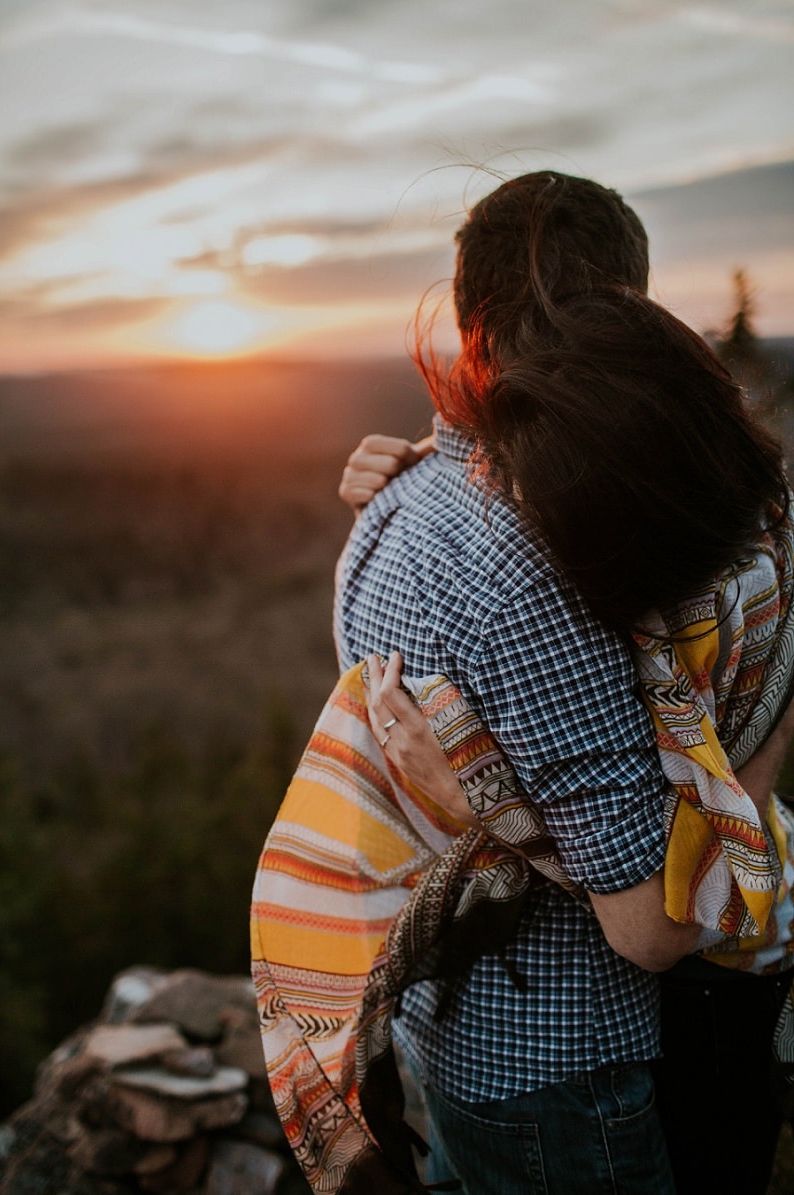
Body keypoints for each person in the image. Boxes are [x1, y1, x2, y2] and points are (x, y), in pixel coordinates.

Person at [267, 171, 789, 1194]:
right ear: (624, 314)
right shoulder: (542, 567)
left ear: (468, 314)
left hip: (454, 1030)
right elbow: (648, 925)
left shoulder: (386, 511)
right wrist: (772, 734)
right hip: (568, 1063)